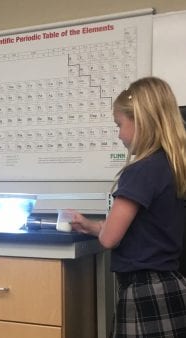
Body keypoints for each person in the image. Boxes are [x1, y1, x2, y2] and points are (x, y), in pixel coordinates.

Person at [70, 77, 186, 337]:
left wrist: (102, 231)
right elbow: (139, 228)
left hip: (143, 292)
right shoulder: (170, 166)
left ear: (141, 121)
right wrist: (90, 226)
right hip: (172, 286)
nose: (119, 134)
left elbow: (111, 238)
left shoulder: (140, 171)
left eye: (119, 125)